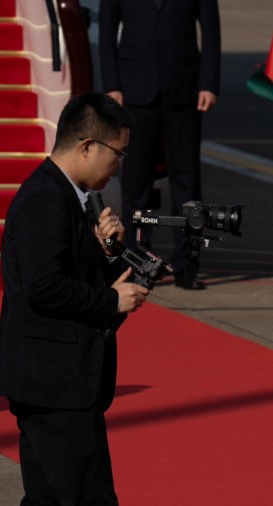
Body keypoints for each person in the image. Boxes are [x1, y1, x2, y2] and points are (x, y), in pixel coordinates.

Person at [0, 92, 159, 506]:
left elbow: (68, 273)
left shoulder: (74, 198)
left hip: (51, 375)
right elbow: (41, 287)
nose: (118, 165)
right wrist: (110, 301)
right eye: (115, 153)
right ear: (86, 145)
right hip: (53, 379)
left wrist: (110, 252)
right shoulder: (44, 197)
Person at [99, 0, 221, 292]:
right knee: (136, 181)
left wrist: (209, 83)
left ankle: (187, 264)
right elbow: (107, 31)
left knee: (187, 181)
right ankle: (137, 261)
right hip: (135, 90)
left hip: (184, 89)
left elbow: (212, 31)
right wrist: (112, 83)